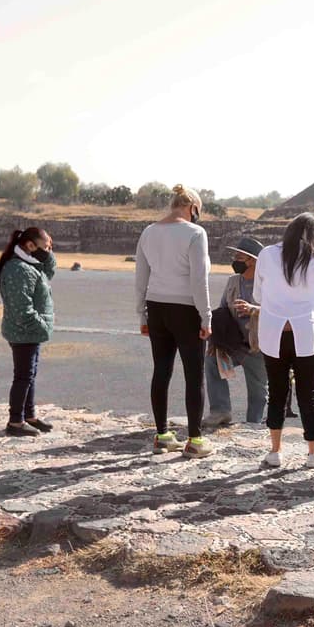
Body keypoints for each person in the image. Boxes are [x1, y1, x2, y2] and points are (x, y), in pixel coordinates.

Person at [135, 184, 213, 458]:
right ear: (192, 208)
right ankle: (195, 440)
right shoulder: (195, 233)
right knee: (194, 375)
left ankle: (162, 435)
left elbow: (141, 276)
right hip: (186, 309)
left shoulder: (149, 231)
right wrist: (206, 316)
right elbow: (199, 280)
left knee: (161, 371)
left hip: (156, 307)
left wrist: (141, 313)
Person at [254, 212, 314, 469]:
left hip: (273, 331)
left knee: (276, 393)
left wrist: (279, 306)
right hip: (306, 331)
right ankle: (312, 452)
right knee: (307, 394)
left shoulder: (266, 254)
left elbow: (258, 293)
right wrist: (304, 308)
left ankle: (275, 450)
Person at [204, 236, 270, 428]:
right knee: (211, 362)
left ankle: (254, 423)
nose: (235, 260)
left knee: (258, 389)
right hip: (234, 344)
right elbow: (223, 310)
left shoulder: (268, 284)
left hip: (258, 346)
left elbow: (277, 312)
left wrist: (253, 309)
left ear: (253, 260)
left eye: (240, 256)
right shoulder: (233, 281)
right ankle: (220, 411)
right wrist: (216, 341)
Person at [0, 227, 57, 438]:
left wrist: (48, 252)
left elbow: (48, 273)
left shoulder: (31, 265)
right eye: (45, 247)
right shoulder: (17, 269)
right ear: (30, 246)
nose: (48, 251)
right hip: (23, 331)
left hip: (31, 333)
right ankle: (15, 421)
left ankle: (29, 415)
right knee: (23, 377)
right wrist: (41, 326)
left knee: (29, 375)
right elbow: (22, 309)